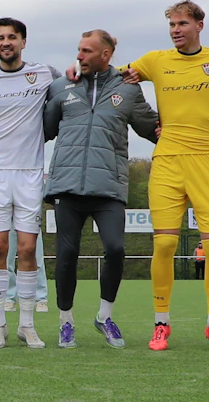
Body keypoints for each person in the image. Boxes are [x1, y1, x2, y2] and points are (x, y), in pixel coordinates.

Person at [124, 1, 209, 352]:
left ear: (199, 25)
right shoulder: (155, 61)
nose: (176, 29)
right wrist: (79, 68)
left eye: (182, 24)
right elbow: (110, 71)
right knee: (164, 244)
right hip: (167, 161)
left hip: (207, 159)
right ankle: (161, 323)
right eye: (172, 24)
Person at [43, 29, 158, 348]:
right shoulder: (61, 86)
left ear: (105, 55)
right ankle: (66, 322)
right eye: (78, 50)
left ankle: (104, 316)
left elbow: (153, 128)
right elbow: (44, 129)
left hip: (108, 186)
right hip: (67, 186)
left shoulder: (129, 89)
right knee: (66, 254)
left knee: (115, 249)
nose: (79, 55)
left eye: (87, 51)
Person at [0, 18, 61, 349]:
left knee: (28, 248)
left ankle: (28, 326)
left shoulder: (46, 73)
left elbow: (66, 96)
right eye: (1, 37)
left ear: (23, 42)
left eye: (12, 37)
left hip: (31, 172)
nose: (6, 42)